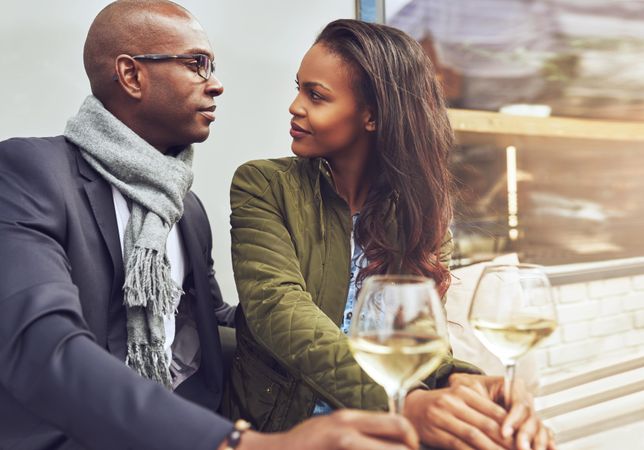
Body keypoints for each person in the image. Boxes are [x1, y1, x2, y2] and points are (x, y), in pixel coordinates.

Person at [0, 3, 420, 450]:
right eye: (196, 65)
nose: (216, 84)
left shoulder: (188, 209)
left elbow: (201, 327)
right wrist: (237, 442)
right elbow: (43, 344)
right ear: (131, 75)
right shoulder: (30, 172)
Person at [226, 19, 555, 450]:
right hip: (285, 430)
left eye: (316, 95)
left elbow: (418, 343)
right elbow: (280, 312)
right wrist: (403, 404)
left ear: (372, 115)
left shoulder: (420, 215)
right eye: (299, 88)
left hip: (386, 430)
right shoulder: (262, 184)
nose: (294, 106)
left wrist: (475, 388)